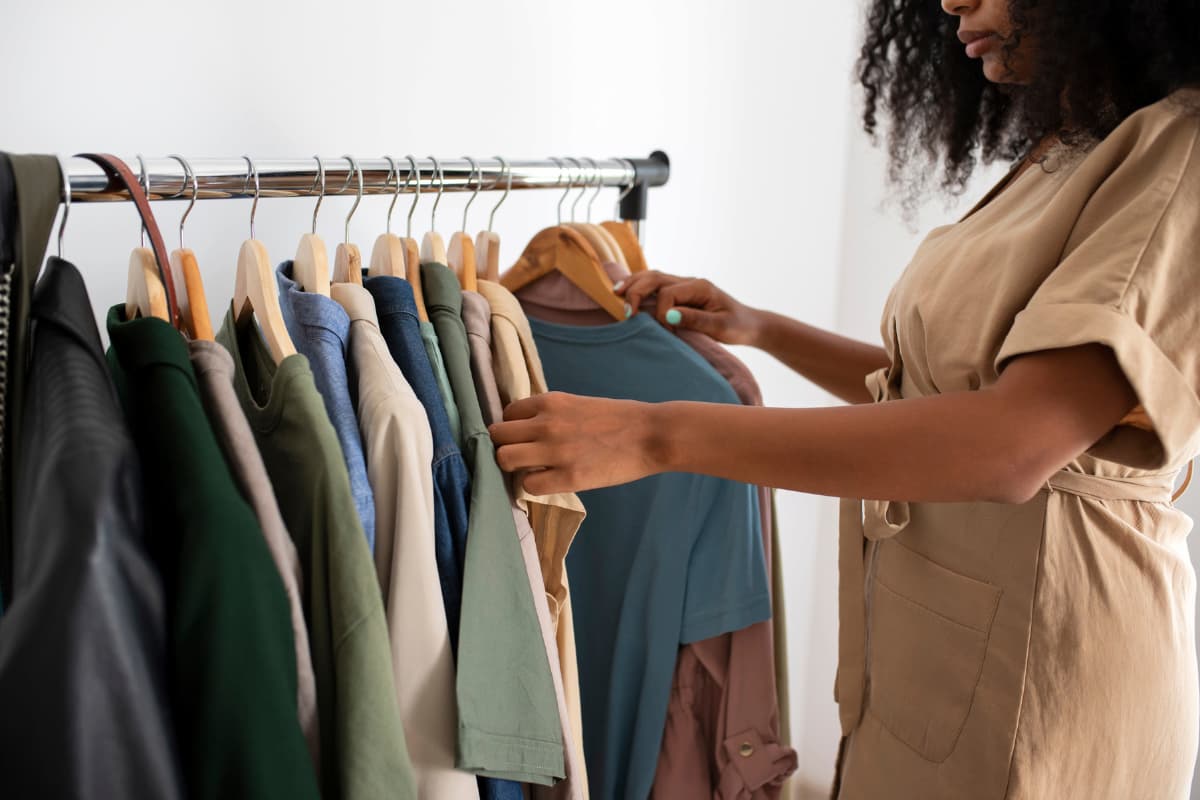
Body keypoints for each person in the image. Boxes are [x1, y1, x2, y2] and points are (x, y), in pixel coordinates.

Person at [489, 0, 1200, 797]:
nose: (951, 3)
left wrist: (659, 435)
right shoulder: (1072, 145)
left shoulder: (1179, 151)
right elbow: (935, 395)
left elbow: (1010, 442)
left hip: (1053, 661)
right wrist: (761, 328)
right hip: (948, 652)